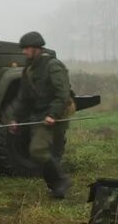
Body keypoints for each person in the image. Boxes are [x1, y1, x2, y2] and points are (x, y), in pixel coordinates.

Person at [8, 31, 73, 198]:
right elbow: (23, 98)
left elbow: (63, 94)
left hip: (56, 112)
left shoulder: (53, 66)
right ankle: (57, 186)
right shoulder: (29, 70)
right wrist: (14, 118)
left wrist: (53, 114)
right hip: (39, 113)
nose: (24, 52)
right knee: (43, 152)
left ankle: (61, 180)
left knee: (38, 150)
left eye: (27, 48)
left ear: (36, 48)